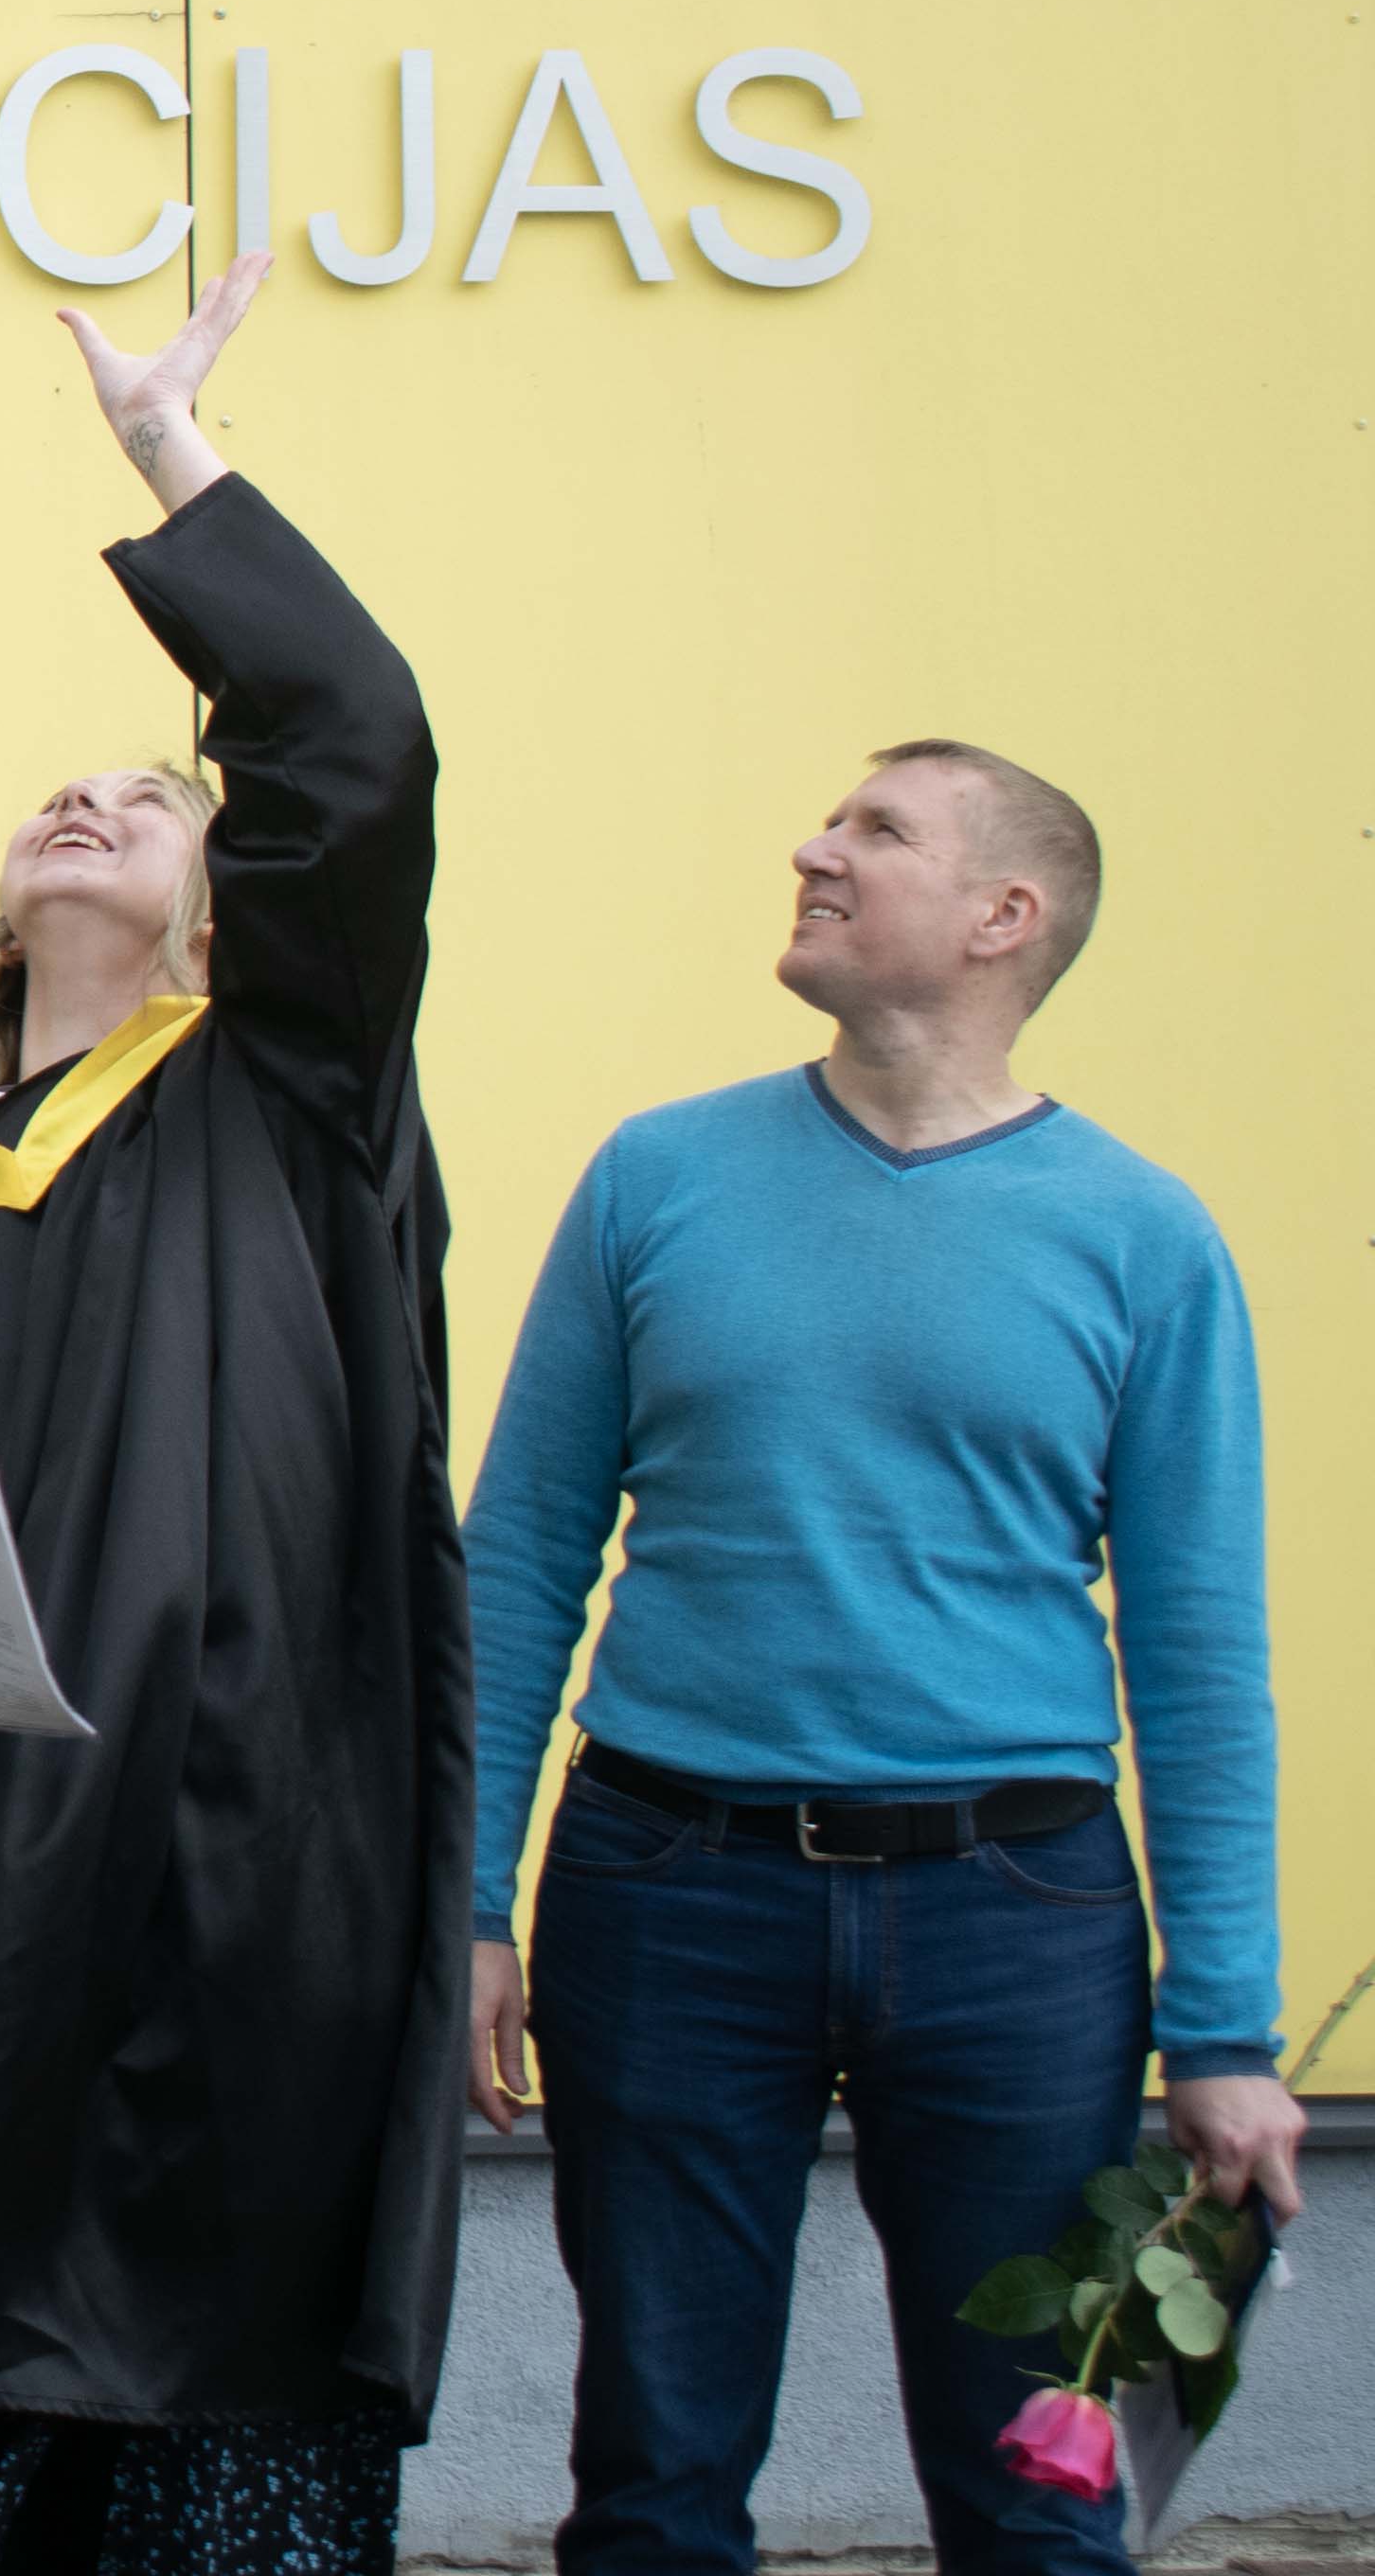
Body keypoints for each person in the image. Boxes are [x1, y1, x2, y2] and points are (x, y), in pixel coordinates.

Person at [0, 258, 466, 2576]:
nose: (95, 796)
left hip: (210, 1867)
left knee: (183, 2416)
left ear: (234, 903)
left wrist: (170, 452)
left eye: (155, 796)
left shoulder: (282, 1094)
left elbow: (354, 743)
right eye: (67, 786)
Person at [463, 743, 1287, 2576]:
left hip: (1017, 1919)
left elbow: (1201, 1659)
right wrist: (469, 1898)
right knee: (654, 2482)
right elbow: (516, 1558)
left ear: (1007, 915)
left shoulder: (1144, 1238)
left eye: (876, 830)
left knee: (1038, 2502)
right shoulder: (655, 1177)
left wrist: (1226, 2029)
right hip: (667, 1892)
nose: (814, 849)